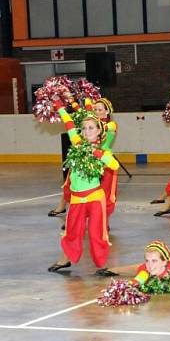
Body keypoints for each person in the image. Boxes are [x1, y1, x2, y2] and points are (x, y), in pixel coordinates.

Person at [47, 102, 120, 275]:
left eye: (91, 128)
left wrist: (96, 153)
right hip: (77, 199)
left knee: (96, 233)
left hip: (95, 198)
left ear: (98, 131)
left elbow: (114, 165)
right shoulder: (77, 143)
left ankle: (102, 265)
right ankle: (65, 260)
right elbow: (69, 123)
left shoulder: (103, 152)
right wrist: (58, 105)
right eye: (85, 128)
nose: (87, 131)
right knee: (72, 231)